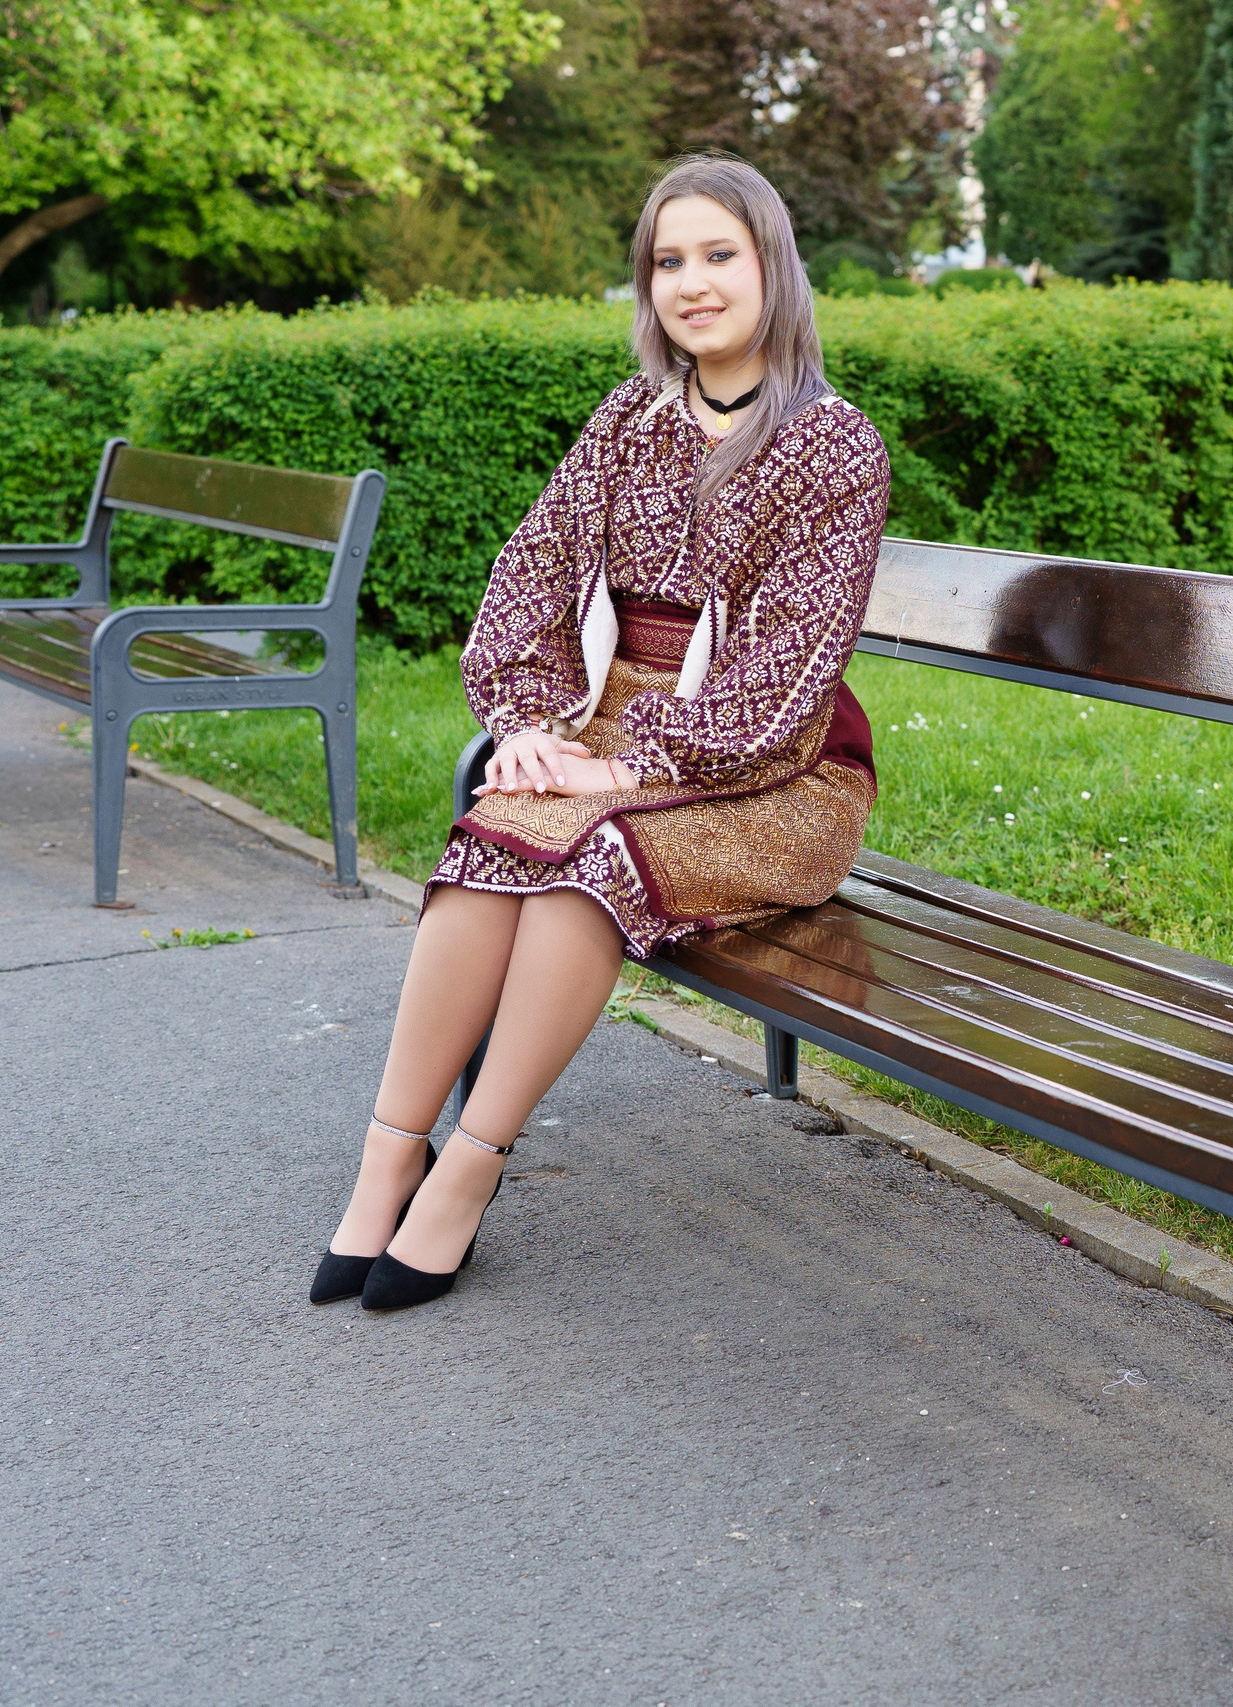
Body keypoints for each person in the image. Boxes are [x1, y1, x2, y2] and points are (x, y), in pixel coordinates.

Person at [309, 156, 890, 1313]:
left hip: (776, 778)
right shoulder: (629, 420)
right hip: (610, 739)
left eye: (718, 255)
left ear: (772, 266)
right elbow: (532, 572)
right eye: (668, 261)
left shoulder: (835, 447)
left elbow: (786, 677)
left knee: (593, 855)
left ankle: (471, 1169)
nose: (692, 283)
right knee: (496, 829)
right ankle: (389, 1157)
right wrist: (528, 723)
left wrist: (636, 761)